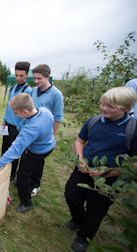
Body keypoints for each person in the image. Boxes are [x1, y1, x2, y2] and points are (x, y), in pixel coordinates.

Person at [64, 87, 137, 252]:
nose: (104, 108)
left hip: (109, 180)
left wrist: (108, 172)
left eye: (110, 106)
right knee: (71, 195)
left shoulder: (133, 129)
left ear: (125, 107)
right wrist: (80, 160)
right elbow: (80, 141)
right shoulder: (94, 121)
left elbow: (134, 164)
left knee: (96, 209)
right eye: (102, 104)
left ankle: (83, 237)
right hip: (83, 170)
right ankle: (77, 219)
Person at [0, 93, 55, 213]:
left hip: (36, 151)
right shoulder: (44, 110)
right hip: (49, 145)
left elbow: (15, 150)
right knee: (37, 165)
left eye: (16, 112)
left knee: (22, 175)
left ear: (25, 112)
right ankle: (34, 183)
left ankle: (26, 203)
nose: (15, 114)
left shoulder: (31, 128)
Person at [30, 64, 64, 196]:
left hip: (44, 134)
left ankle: (35, 185)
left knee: (38, 161)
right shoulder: (33, 90)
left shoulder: (56, 94)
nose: (36, 81)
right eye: (35, 78)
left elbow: (58, 118)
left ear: (47, 76)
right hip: (32, 131)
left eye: (39, 78)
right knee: (29, 157)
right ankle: (26, 179)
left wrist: (52, 136)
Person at [1, 61, 32, 181]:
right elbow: (8, 106)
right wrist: (4, 120)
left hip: (16, 127)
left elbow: (27, 111)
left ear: (26, 75)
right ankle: (3, 170)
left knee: (14, 151)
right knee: (4, 149)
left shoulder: (28, 90)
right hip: (6, 125)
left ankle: (11, 174)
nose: (18, 78)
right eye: (16, 75)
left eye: (21, 76)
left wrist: (20, 126)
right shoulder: (13, 87)